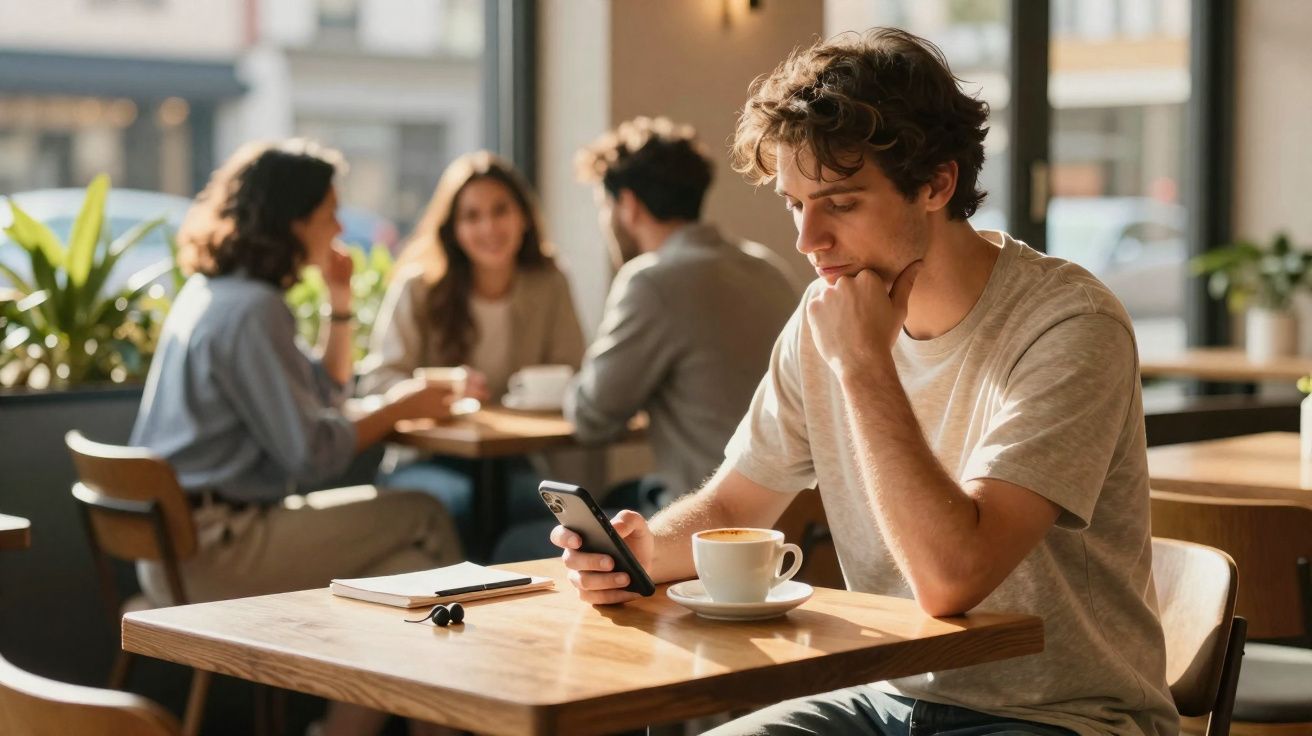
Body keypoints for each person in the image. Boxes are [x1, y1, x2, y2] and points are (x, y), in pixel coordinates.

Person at [553, 29, 1177, 736]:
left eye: (841, 204)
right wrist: (643, 551)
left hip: (1062, 716)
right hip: (887, 697)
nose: (806, 240)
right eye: (794, 203)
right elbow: (735, 499)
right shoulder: (825, 314)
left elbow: (952, 578)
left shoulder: (1069, 324)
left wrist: (863, 365)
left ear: (937, 183)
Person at [131, 139, 462, 736]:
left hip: (175, 549)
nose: (339, 225)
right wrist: (400, 405)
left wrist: (340, 306)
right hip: (219, 551)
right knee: (426, 514)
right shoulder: (254, 310)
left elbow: (323, 396)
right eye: (330, 211)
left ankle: (343, 731)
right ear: (295, 219)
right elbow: (313, 453)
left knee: (407, 567)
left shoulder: (214, 293)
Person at [568, 117, 799, 509]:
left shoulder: (651, 282)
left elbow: (592, 418)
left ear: (628, 206)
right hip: (795, 514)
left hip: (709, 516)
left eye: (604, 206)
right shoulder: (768, 269)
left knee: (517, 540)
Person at [359, 151, 585, 535]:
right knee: (460, 504)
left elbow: (574, 374)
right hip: (428, 459)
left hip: (515, 458)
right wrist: (442, 387)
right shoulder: (419, 287)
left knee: (553, 517)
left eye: (501, 211)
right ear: (452, 228)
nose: (489, 227)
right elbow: (377, 382)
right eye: (471, 216)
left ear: (524, 217)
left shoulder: (550, 282)